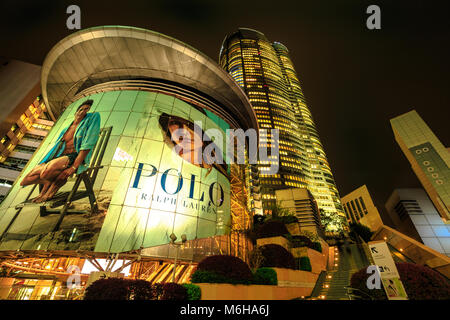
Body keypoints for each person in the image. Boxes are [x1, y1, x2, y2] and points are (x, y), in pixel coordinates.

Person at [20, 99, 100, 203]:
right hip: (59, 158)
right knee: (26, 179)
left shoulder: (91, 119)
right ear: (76, 112)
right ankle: (48, 183)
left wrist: (73, 167)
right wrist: (47, 161)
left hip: (74, 156)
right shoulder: (65, 129)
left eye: (86, 109)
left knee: (46, 172)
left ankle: (48, 192)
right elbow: (58, 147)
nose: (83, 111)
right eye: (81, 109)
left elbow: (87, 144)